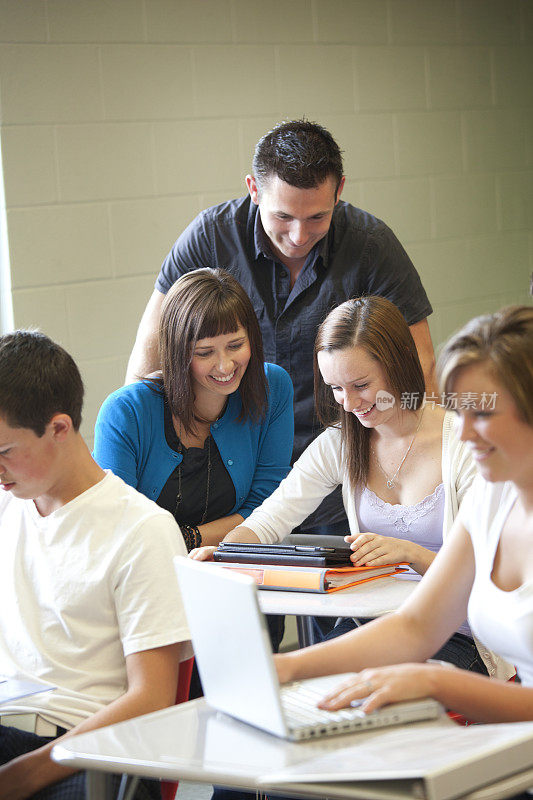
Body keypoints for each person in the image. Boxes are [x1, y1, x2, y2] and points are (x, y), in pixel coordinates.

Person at [125, 119, 435, 535]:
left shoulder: (371, 245)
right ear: (254, 189)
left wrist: (403, 471)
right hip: (233, 470)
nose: (299, 234)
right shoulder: (211, 237)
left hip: (342, 458)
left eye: (318, 217)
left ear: (340, 190)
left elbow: (420, 367)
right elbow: (150, 357)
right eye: (283, 216)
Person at [193, 296, 511, 674]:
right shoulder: (341, 443)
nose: (348, 403)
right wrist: (229, 555)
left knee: (366, 695)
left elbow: (492, 575)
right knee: (305, 695)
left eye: (360, 384)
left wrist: (412, 554)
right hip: (372, 628)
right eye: (336, 388)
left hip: (462, 635)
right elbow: (269, 520)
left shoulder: (465, 443)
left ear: (398, 366)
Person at [271, 305, 533, 744]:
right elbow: (415, 625)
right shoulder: (493, 498)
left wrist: (435, 682)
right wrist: (289, 666)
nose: (464, 434)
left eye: (482, 414)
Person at [0, 330, 191, 800]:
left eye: (4, 452)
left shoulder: (141, 529)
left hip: (91, 750)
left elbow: (151, 698)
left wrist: (27, 773)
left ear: (60, 428)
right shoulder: (11, 507)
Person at [94, 267, 293, 553]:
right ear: (177, 352)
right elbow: (116, 529)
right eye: (204, 352)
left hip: (236, 564)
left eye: (235, 345)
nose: (225, 366)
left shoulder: (272, 387)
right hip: (143, 569)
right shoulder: (125, 411)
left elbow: (269, 508)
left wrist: (190, 540)